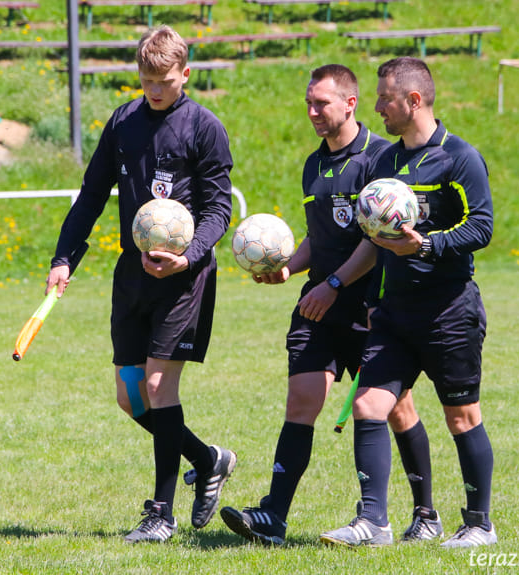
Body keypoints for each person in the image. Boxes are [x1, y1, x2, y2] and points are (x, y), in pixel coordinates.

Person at [218, 64, 438, 546]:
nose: (313, 112)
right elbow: (321, 238)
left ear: (351, 103)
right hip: (320, 303)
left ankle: (425, 513)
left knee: (396, 408)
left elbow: (377, 239)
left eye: (322, 103)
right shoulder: (313, 164)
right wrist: (289, 268)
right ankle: (273, 517)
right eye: (309, 103)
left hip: (371, 307)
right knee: (301, 402)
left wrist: (335, 284)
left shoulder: (381, 158)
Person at [46, 25, 236, 543]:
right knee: (131, 399)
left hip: (184, 276)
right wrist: (66, 256)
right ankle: (207, 458)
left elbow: (220, 207)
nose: (155, 90)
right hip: (133, 275)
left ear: (186, 75)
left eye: (165, 81)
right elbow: (90, 194)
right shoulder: (124, 121)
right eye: (147, 79)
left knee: (157, 387)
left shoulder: (204, 127)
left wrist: (189, 256)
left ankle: (161, 513)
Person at [319, 56, 496, 548]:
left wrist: (428, 245)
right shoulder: (383, 162)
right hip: (393, 312)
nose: (377, 108)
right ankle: (373, 522)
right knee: (370, 406)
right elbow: (373, 240)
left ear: (413, 101)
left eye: (384, 99)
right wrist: (371, 299)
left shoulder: (459, 158)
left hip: (448, 311)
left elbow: (481, 226)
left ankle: (479, 524)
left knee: (461, 416)